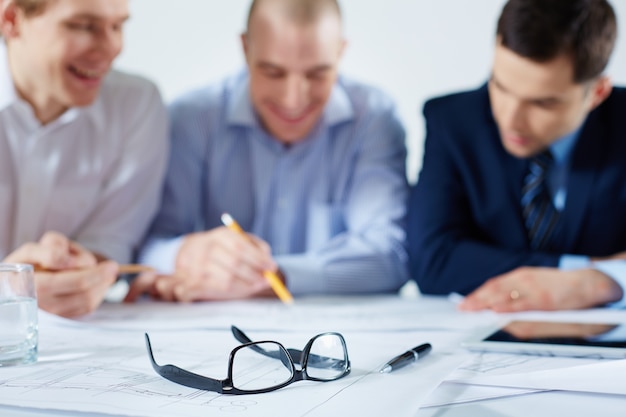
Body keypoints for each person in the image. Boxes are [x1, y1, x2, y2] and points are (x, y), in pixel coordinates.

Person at [132, 0, 408, 302]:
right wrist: (184, 254)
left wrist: (276, 277)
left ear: (341, 52)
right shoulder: (192, 119)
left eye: (317, 74)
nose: (294, 99)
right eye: (273, 72)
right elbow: (142, 248)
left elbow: (393, 253)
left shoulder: (373, 118)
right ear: (245, 48)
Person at [408, 0, 626, 312]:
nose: (510, 119)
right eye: (500, 86)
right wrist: (590, 275)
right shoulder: (451, 121)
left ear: (597, 93)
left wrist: (603, 282)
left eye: (543, 103)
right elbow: (434, 262)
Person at [0, 0, 168, 317]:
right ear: (11, 19)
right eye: (82, 25)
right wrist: (8, 287)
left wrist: (85, 265)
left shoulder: (135, 105)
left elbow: (112, 240)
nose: (113, 47)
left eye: (118, 26)